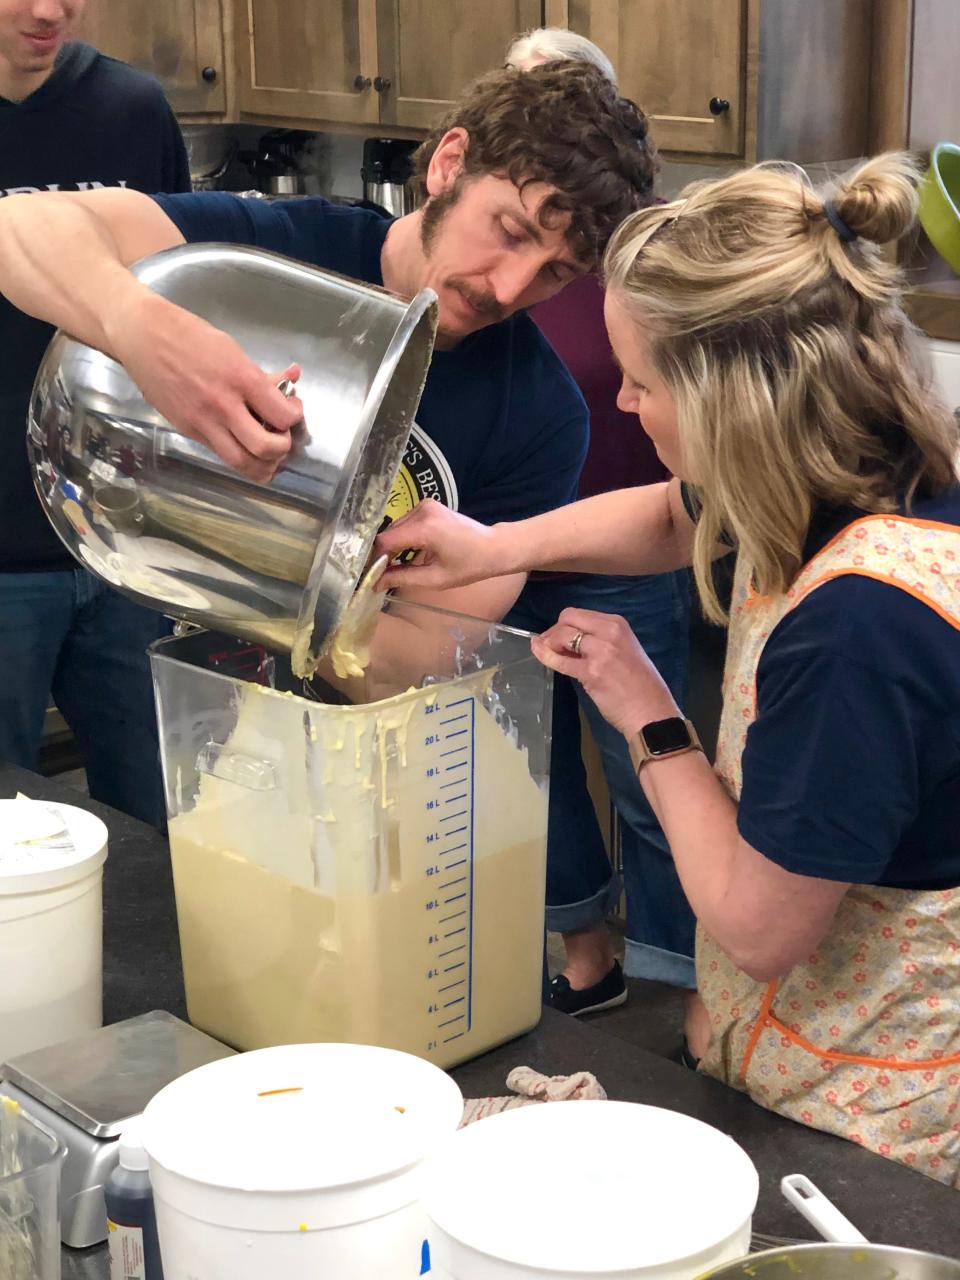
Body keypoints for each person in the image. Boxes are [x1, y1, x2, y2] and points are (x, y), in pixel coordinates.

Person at [375, 154, 960, 1184]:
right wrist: (494, 542)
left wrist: (646, 710)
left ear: (740, 396)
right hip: (788, 1053)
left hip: (876, 1128)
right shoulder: (862, 468)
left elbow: (758, 922)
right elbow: (666, 514)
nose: (629, 405)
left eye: (643, 381)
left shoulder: (861, 628)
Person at [0, 62, 656, 682]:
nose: (510, 289)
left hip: (349, 753)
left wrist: (267, 572)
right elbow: (18, 228)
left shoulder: (541, 415)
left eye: (556, 273)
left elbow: (421, 655)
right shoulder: (276, 248)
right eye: (510, 231)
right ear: (451, 165)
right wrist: (144, 329)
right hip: (178, 682)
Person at [506, 27, 694, 1014]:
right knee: (537, 777)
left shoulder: (657, 247)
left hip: (632, 549)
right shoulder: (493, 239)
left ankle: (678, 981)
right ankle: (590, 959)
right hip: (509, 547)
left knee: (653, 773)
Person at [0, 0, 190, 825]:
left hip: (124, 548)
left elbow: (188, 290)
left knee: (155, 825)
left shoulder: (132, 109)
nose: (51, 11)